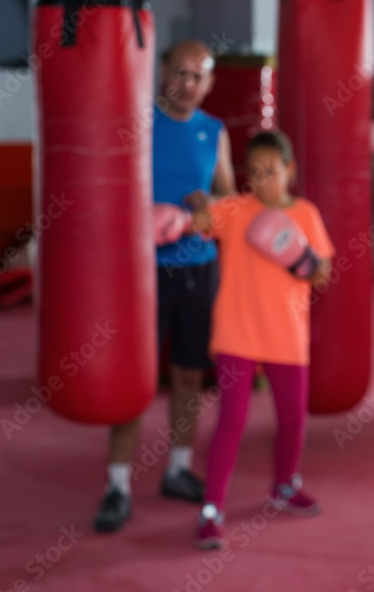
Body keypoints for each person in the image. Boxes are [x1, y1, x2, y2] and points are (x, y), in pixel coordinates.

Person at [94, 40, 235, 533]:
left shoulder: (214, 132)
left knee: (189, 374)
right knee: (133, 377)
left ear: (210, 83)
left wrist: (207, 209)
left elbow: (229, 199)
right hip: (141, 271)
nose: (188, 83)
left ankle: (177, 468)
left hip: (199, 267)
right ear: (163, 72)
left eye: (198, 76)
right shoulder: (136, 121)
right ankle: (117, 483)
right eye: (180, 72)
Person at [186, 130, 335, 550]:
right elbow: (201, 214)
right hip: (237, 333)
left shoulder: (306, 213)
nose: (263, 179)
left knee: (292, 419)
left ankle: (285, 485)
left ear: (289, 169)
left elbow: (322, 273)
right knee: (231, 420)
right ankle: (212, 507)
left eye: (271, 170)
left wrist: (300, 259)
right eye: (254, 172)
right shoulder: (235, 210)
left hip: (287, 336)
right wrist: (198, 204)